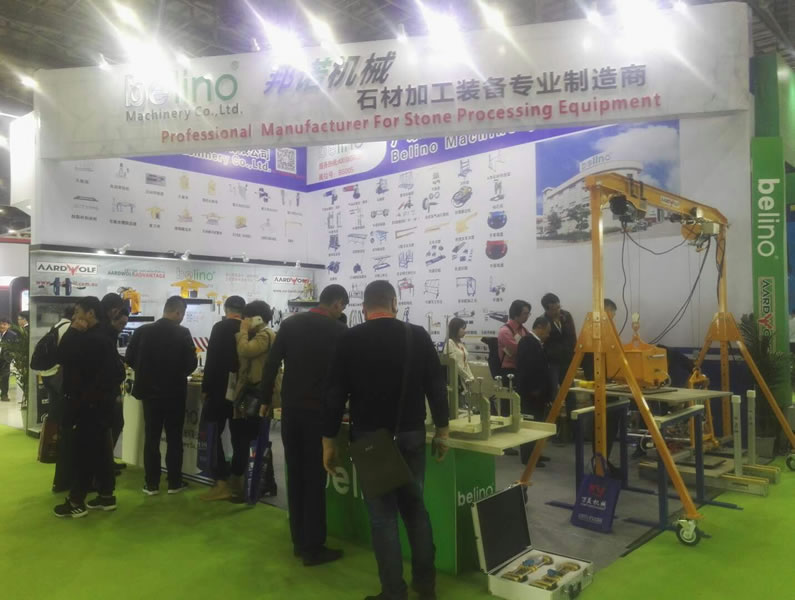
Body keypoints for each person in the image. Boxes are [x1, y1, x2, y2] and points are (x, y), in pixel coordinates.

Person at [323, 281, 449, 600]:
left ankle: (394, 592)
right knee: (416, 511)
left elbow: (335, 394)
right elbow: (436, 386)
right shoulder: (417, 335)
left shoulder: (349, 339)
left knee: (383, 519)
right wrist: (443, 430)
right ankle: (426, 584)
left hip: (371, 440)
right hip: (411, 434)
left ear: (363, 308)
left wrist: (328, 440)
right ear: (394, 303)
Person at [260, 285, 349, 565]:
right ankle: (313, 547)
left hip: (291, 412)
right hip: (318, 414)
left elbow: (271, 364)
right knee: (314, 480)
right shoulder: (339, 332)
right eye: (343, 307)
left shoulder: (290, 324)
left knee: (296, 475)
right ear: (337, 304)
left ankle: (299, 540)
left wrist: (264, 399)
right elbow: (345, 377)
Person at [53, 296, 125, 518]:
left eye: (78, 312)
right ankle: (106, 496)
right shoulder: (104, 335)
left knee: (83, 453)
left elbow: (62, 355)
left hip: (88, 405)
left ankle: (76, 501)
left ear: (90, 313)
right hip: (100, 404)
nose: (75, 317)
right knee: (101, 451)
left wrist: (73, 330)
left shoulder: (90, 338)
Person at [126, 296, 197, 495]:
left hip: (149, 393)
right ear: (178, 312)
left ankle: (151, 483)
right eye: (182, 314)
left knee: (151, 437)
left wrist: (146, 372)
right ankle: (174, 482)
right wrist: (177, 374)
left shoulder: (142, 331)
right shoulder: (183, 333)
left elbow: (129, 358)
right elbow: (191, 363)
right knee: (174, 438)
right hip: (175, 393)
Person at [226, 300, 276, 501]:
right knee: (248, 438)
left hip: (256, 394)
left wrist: (243, 332)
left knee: (249, 439)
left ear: (257, 318)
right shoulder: (260, 335)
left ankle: (250, 485)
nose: (244, 321)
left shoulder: (265, 335)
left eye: (247, 318)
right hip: (249, 393)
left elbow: (245, 350)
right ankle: (256, 484)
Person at [200, 295, 246, 500]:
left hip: (219, 389)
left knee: (211, 431)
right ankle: (237, 479)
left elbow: (212, 359)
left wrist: (206, 387)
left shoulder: (220, 328)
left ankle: (221, 481)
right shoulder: (249, 329)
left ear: (226, 310)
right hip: (242, 391)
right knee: (239, 436)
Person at [582, 298, 621, 476]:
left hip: (609, 383)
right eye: (611, 314)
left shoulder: (606, 332)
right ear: (604, 312)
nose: (612, 319)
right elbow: (589, 361)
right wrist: (597, 381)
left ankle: (604, 460)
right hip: (600, 383)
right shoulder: (593, 332)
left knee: (611, 421)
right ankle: (600, 462)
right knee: (603, 422)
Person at [39, 306, 75, 492]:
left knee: (55, 413)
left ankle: (49, 446)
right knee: (62, 418)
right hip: (57, 375)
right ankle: (54, 446)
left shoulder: (56, 326)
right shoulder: (68, 328)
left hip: (47, 374)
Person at [515, 316, 553, 465]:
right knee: (529, 424)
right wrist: (533, 389)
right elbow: (526, 368)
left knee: (537, 424)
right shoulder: (527, 342)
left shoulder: (537, 343)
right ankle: (528, 457)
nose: (548, 335)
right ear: (539, 327)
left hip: (539, 393)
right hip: (530, 393)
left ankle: (536, 453)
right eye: (547, 331)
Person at [443, 317, 474, 390]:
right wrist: (467, 377)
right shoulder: (449, 343)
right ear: (455, 328)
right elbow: (454, 364)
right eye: (463, 329)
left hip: (464, 379)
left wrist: (471, 376)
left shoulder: (460, 343)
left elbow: (465, 362)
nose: (465, 331)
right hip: (455, 379)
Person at [0, 317, 18, 402]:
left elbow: (15, 348)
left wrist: (9, 358)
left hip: (5, 360)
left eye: (4, 324)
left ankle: (4, 395)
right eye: (1, 324)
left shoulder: (13, 335)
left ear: (9, 326)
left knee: (5, 377)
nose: (2, 326)